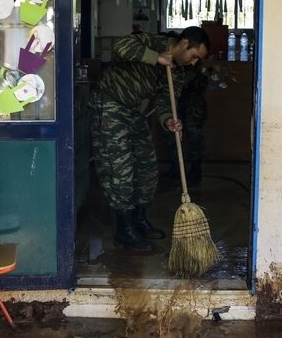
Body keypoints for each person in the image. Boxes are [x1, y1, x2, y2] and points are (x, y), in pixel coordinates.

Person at [90, 26, 210, 251]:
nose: (194, 63)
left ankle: (139, 219)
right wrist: (156, 58)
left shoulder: (178, 71)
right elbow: (121, 47)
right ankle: (124, 230)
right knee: (120, 169)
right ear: (184, 44)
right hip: (109, 104)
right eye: (194, 56)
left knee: (147, 168)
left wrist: (168, 120)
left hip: (134, 111)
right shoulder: (151, 42)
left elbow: (166, 100)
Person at [164, 60, 208, 186]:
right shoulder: (175, 60)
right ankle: (175, 166)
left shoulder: (196, 61)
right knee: (173, 134)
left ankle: (195, 168)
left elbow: (201, 80)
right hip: (176, 103)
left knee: (194, 136)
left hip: (194, 105)